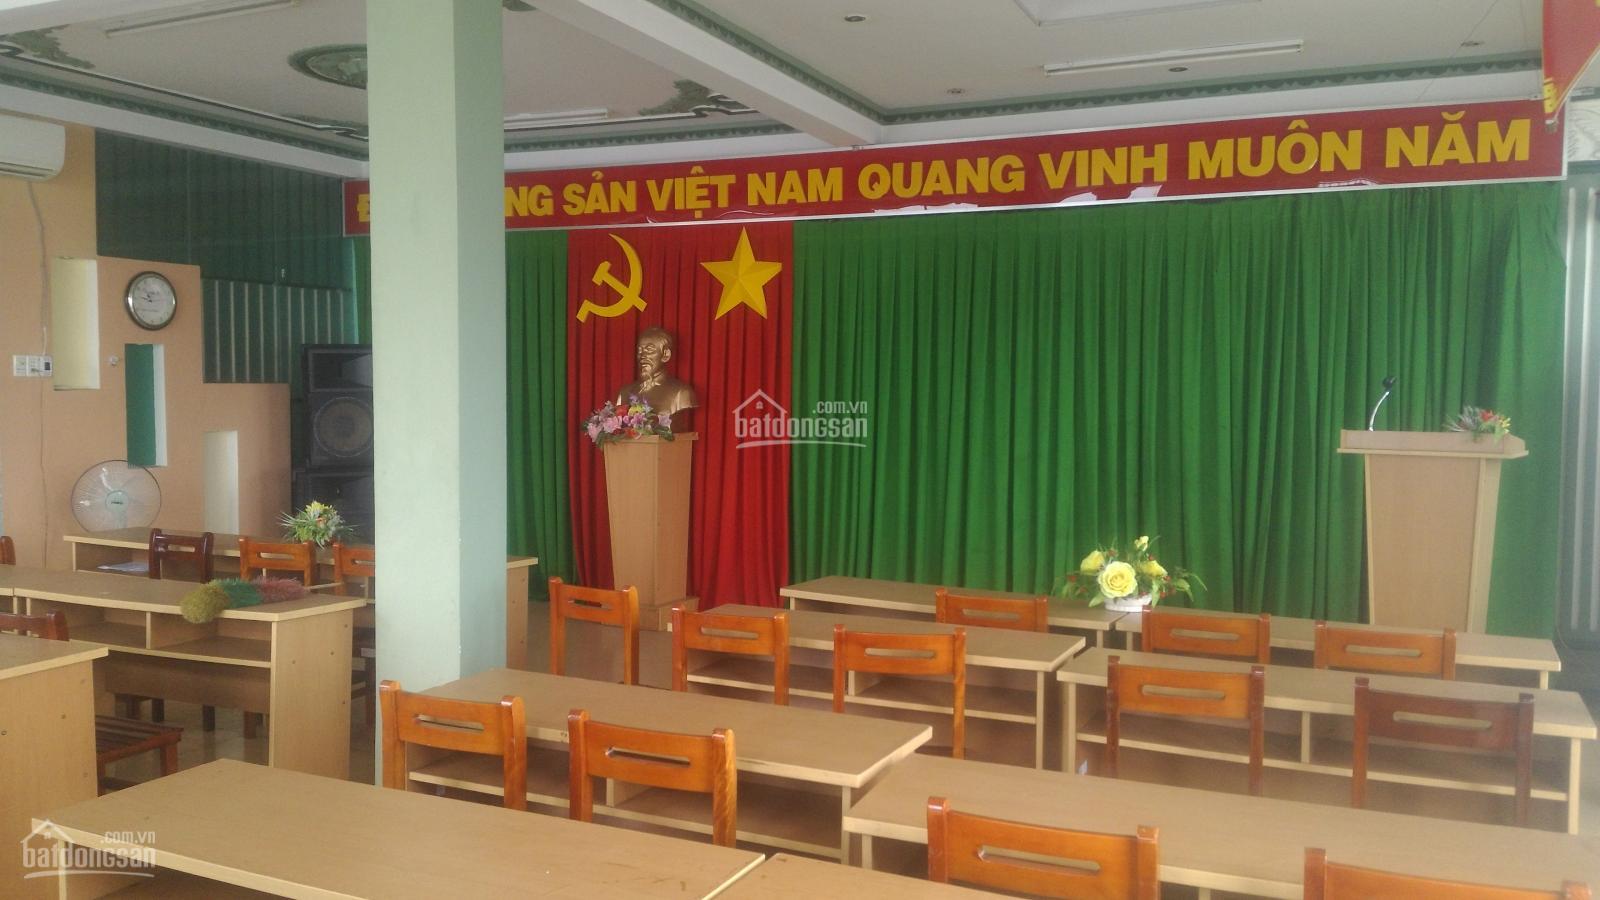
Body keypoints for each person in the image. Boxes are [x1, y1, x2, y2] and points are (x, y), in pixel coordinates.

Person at [613, 327, 699, 421]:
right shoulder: (624, 393)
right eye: (640, 351)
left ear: (666, 355)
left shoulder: (681, 393)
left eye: (649, 350)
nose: (642, 356)